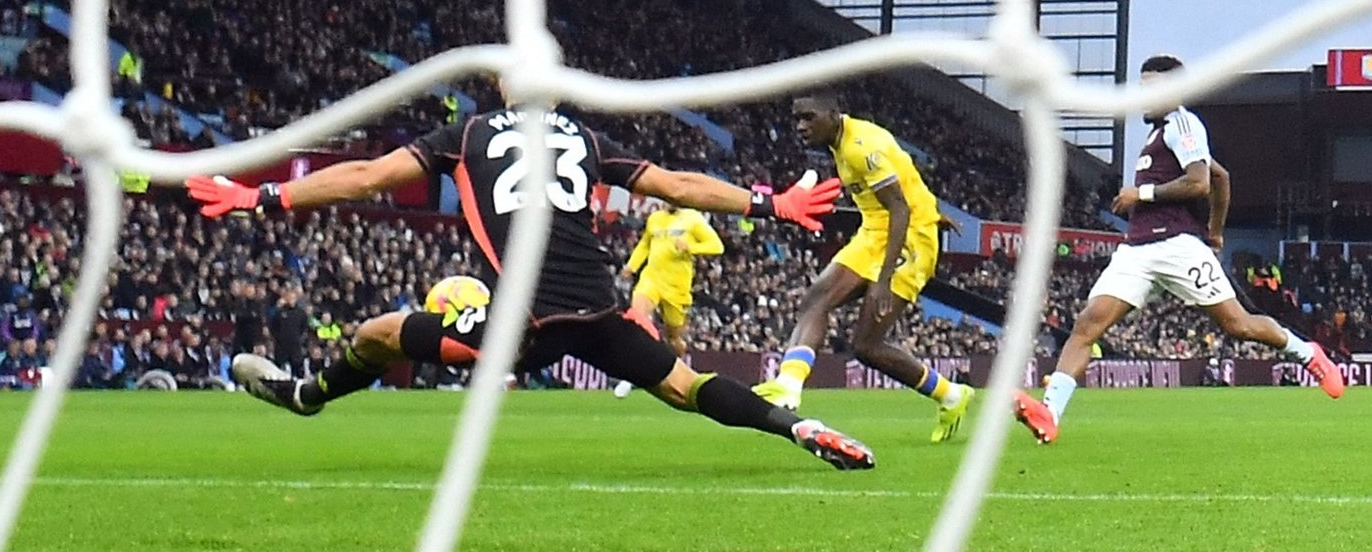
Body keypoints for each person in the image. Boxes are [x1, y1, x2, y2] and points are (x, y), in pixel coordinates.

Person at [185, 98, 874, 471]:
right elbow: (679, 184)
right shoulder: (582, 138)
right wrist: (770, 204)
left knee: (376, 334)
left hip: (525, 324)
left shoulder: (468, 132)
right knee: (685, 386)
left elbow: (365, 176)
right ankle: (799, 426)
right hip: (597, 310)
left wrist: (264, 198)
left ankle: (306, 395)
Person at [1013, 54, 1345, 445]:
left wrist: (1144, 193)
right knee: (1088, 324)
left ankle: (1307, 353)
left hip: (1176, 245)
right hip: (1137, 248)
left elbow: (1201, 183)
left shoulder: (1184, 123)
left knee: (1237, 325)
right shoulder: (1160, 134)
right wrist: (1217, 233)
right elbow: (1221, 177)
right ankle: (1050, 412)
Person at [753, 93, 974, 443]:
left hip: (910, 239)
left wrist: (883, 280)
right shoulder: (840, 142)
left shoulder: (860, 146)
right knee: (816, 298)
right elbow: (904, 177)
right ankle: (789, 385)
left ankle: (950, 394)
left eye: (809, 118)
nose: (800, 127)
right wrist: (931, 207)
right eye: (797, 119)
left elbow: (899, 208)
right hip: (875, 229)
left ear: (833, 114)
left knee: (867, 346)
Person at [612, 206, 724, 398]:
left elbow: (717, 246)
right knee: (637, 317)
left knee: (674, 339)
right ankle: (632, 373)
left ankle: (679, 371)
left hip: (676, 287)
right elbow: (645, 244)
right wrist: (631, 266)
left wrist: (692, 248)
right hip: (651, 279)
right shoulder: (655, 218)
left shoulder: (693, 219)